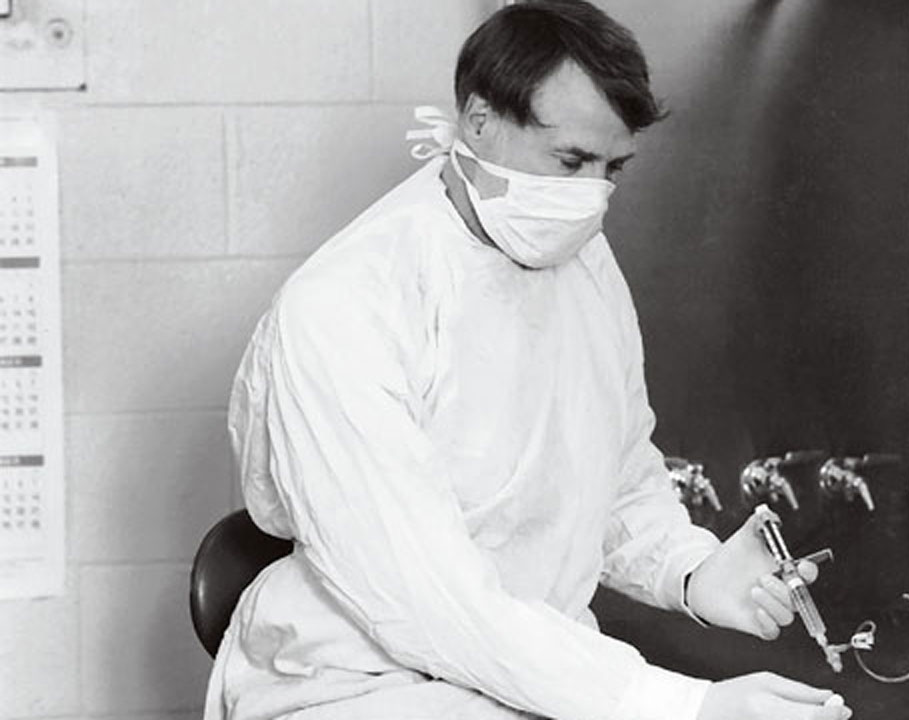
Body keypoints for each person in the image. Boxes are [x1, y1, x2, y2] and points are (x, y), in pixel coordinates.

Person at [205, 2, 852, 719]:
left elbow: (619, 476)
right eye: (570, 161)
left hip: (534, 673)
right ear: (479, 121)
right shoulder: (345, 305)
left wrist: (693, 570)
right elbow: (429, 599)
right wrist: (682, 704)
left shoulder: (583, 263)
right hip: (356, 682)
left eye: (612, 168)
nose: (591, 198)